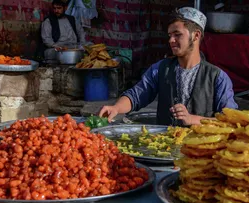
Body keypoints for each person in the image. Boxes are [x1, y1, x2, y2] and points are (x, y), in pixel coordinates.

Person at [100, 7, 238, 126]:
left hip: (201, 152)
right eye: (170, 35)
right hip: (164, 148)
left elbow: (230, 122)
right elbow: (136, 95)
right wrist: (116, 108)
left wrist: (193, 119)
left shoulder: (217, 77)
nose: (171, 40)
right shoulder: (160, 69)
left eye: (177, 35)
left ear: (196, 36)